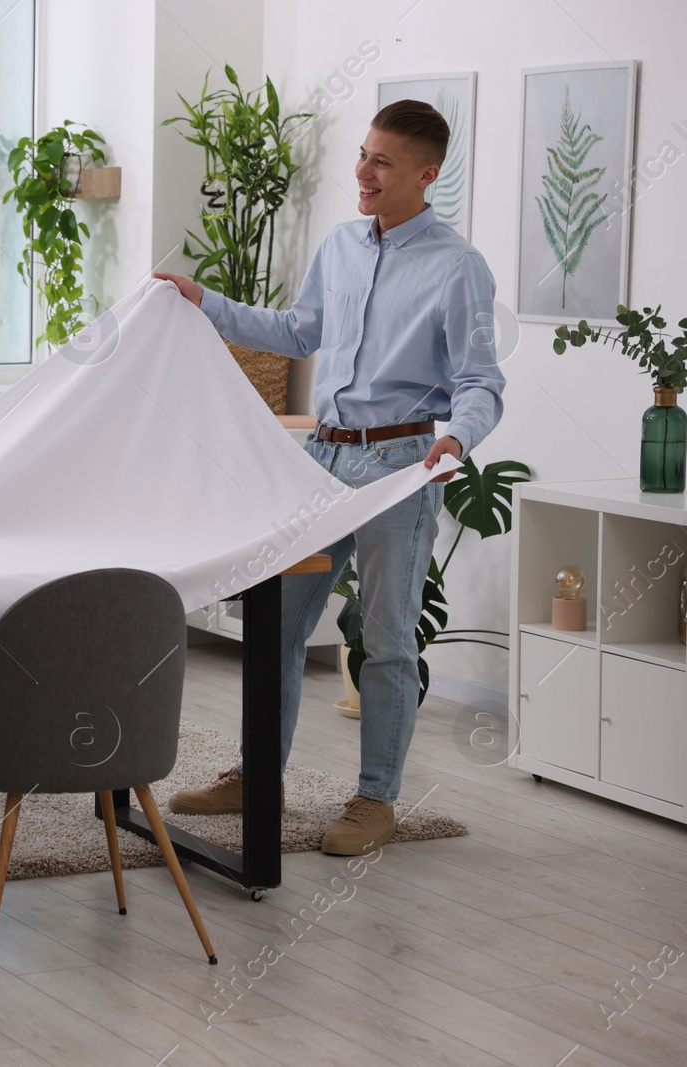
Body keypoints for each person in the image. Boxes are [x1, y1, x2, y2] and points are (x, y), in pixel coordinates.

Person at [156, 100, 505, 856]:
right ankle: (258, 777)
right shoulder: (341, 247)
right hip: (321, 457)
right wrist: (204, 303)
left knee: (383, 644)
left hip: (399, 468)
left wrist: (455, 440)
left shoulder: (457, 267)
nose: (362, 172)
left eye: (382, 161)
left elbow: (481, 380)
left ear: (426, 173)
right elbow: (298, 331)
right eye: (362, 154)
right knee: (274, 623)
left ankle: (375, 800)